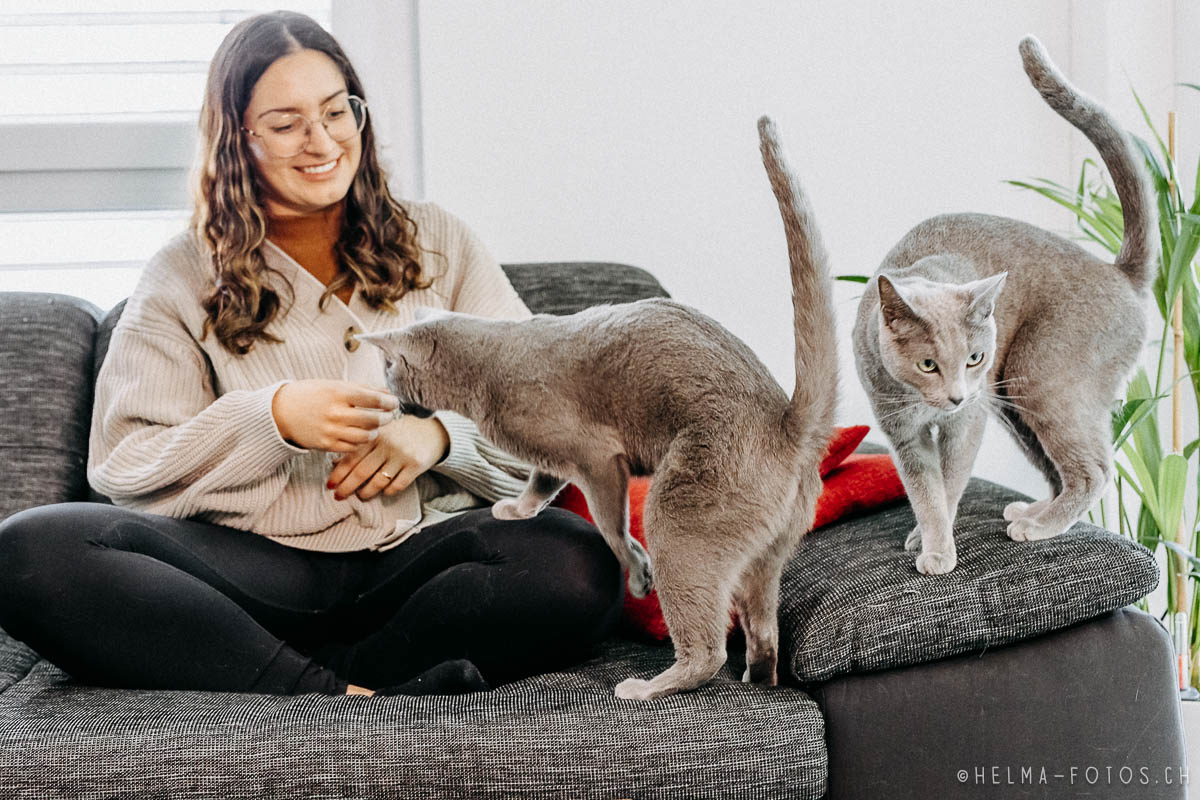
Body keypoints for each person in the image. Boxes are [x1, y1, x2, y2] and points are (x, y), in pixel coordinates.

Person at [0, 11, 622, 697]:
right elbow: (126, 463)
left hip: (414, 559)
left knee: (578, 562)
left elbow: (555, 421)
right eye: (287, 122)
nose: (321, 140)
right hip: (250, 572)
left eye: (336, 112)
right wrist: (270, 419)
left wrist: (440, 439)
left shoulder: (440, 241)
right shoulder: (181, 273)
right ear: (239, 138)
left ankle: (336, 681)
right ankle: (335, 693)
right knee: (30, 551)